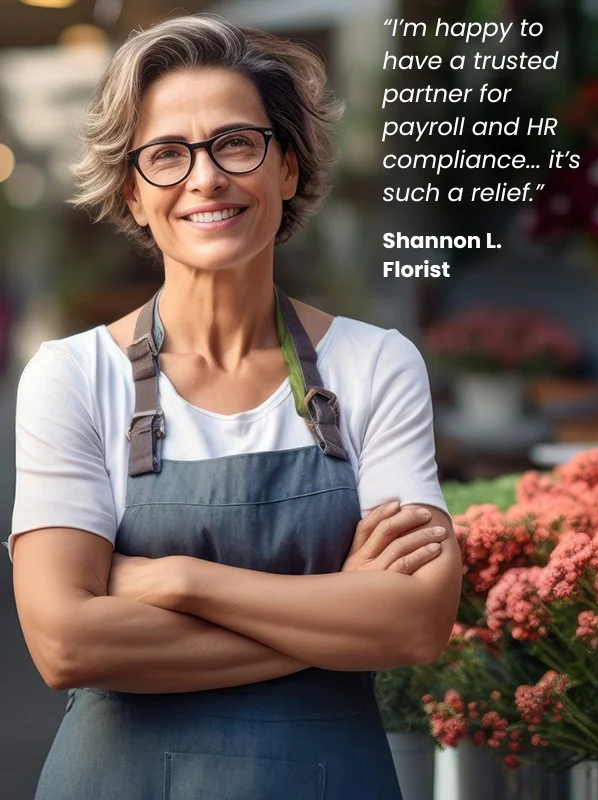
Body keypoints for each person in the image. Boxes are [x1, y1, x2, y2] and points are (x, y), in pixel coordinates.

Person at [6, 14, 462, 799]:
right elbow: (66, 644)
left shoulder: (374, 364)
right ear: (133, 193)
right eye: (166, 156)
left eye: (236, 143)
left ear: (286, 167)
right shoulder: (72, 377)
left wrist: (182, 580)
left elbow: (415, 624)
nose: (206, 178)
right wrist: (336, 622)